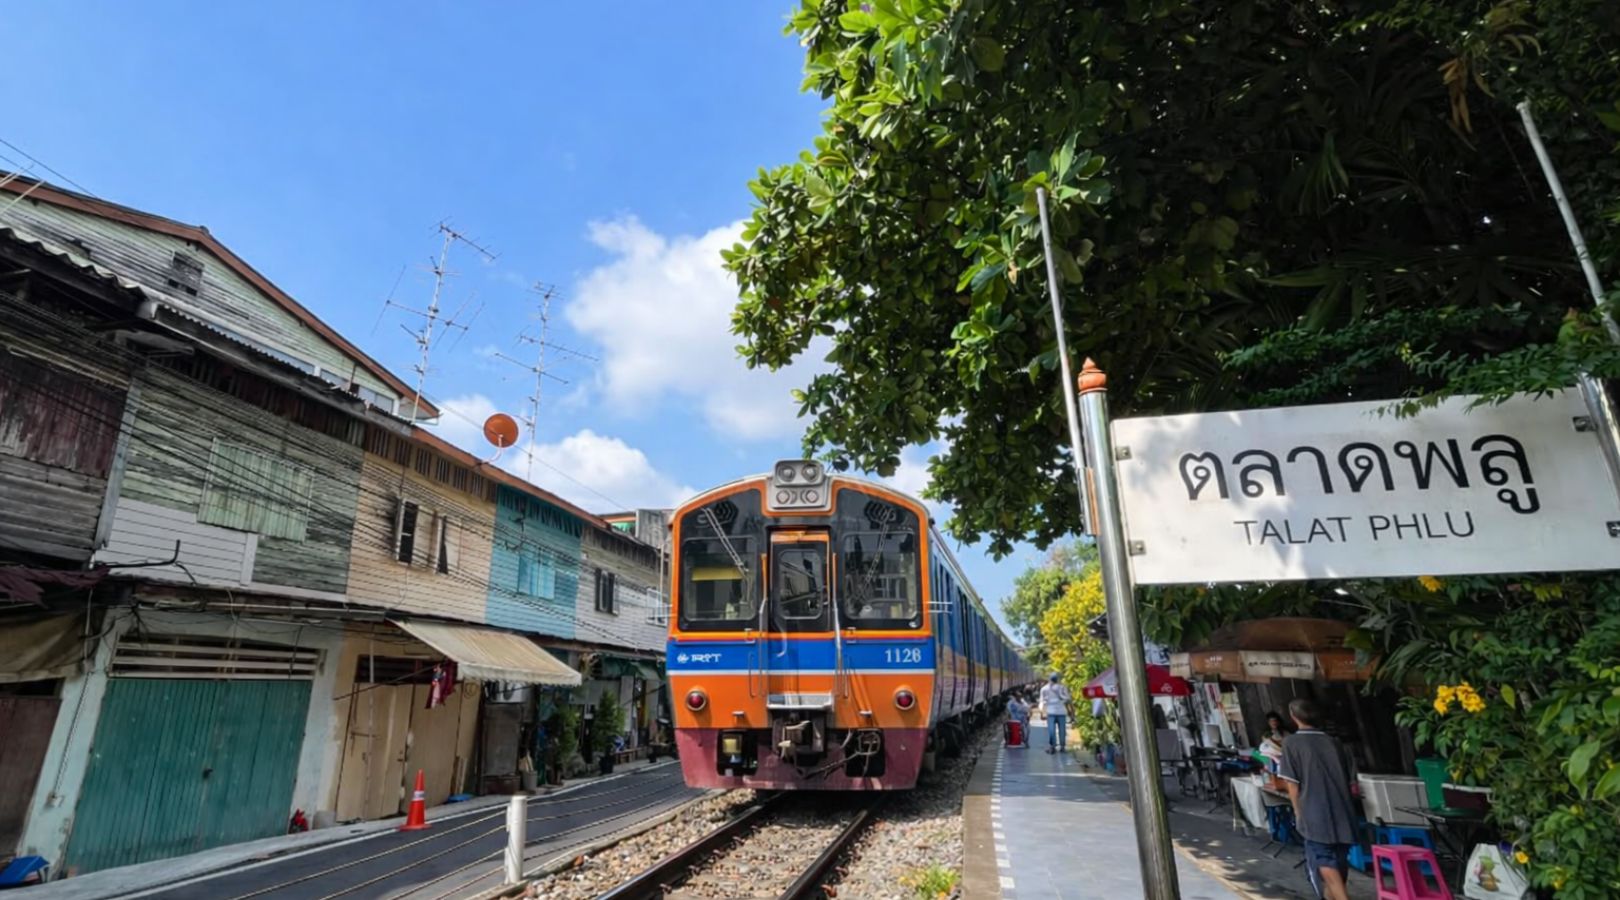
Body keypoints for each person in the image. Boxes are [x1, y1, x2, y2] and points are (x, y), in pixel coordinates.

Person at [1277, 698, 1359, 900]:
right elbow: (1352, 781)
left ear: (1293, 717)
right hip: (1343, 809)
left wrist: (1298, 812)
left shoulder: (1291, 743)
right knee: (1339, 860)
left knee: (1325, 860)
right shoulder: (1336, 743)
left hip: (1314, 811)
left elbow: (1292, 784)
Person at [1039, 673, 1072, 754]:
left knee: (1051, 730)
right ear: (1057, 679)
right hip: (1061, 712)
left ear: (1049, 679)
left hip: (1050, 712)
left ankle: (1052, 746)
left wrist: (1041, 713)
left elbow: (1041, 702)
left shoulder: (1044, 689)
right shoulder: (1062, 688)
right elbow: (1068, 699)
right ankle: (1062, 747)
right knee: (1062, 730)